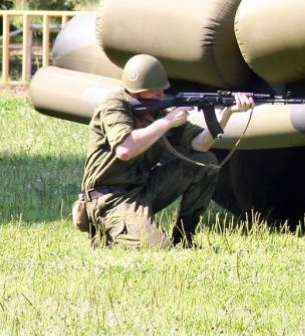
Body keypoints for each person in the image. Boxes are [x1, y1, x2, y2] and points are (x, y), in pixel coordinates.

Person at [79, 54, 254, 248]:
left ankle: (184, 237)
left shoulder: (157, 112)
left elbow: (199, 145)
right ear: (138, 93)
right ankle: (108, 235)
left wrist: (225, 115)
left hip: (143, 189)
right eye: (155, 94)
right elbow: (125, 150)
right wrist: (167, 122)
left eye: (162, 91)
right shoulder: (114, 105)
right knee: (160, 250)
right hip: (109, 198)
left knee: (206, 161)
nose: (162, 97)